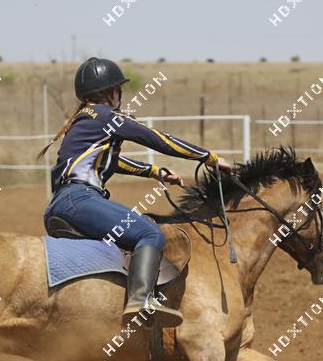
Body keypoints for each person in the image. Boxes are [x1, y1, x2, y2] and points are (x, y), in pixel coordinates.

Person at [44, 57, 232, 328]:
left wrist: (153, 171)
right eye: (119, 90)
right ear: (111, 92)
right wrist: (209, 157)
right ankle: (140, 300)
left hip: (62, 205)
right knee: (149, 232)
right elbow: (158, 139)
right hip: (80, 200)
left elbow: (111, 161)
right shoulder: (108, 116)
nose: (121, 96)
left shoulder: (84, 120)